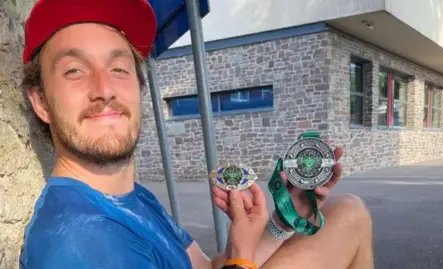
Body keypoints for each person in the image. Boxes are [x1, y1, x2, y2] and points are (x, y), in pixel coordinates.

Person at [18, 0, 374, 268]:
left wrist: (282, 221)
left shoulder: (135, 199)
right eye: (75, 70)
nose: (105, 88)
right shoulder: (79, 242)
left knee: (350, 213)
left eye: (118, 68)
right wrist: (242, 257)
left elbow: (205, 267)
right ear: (41, 102)